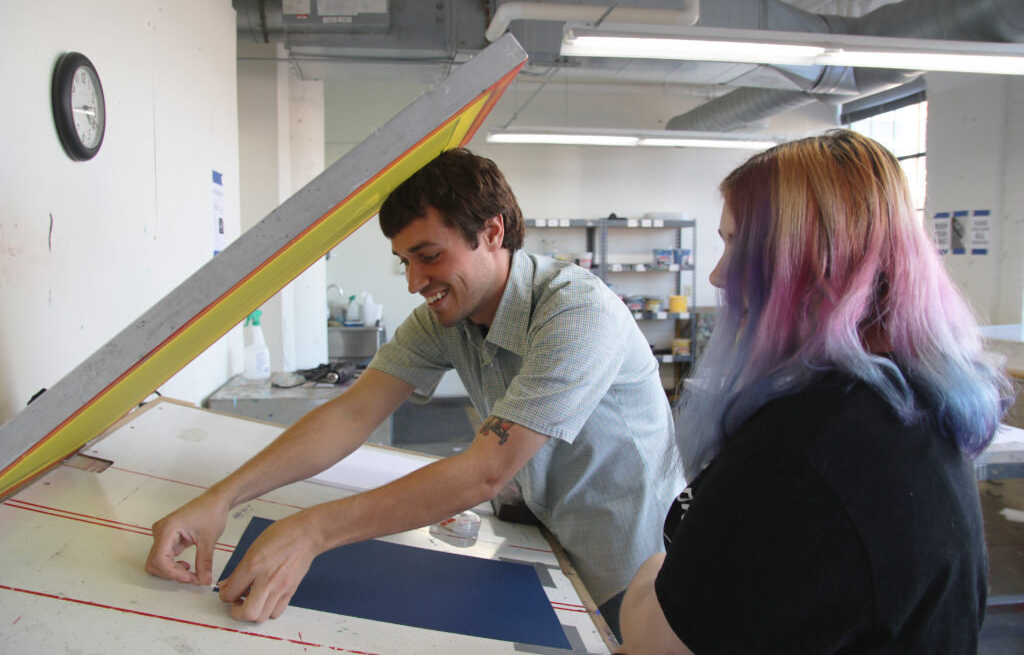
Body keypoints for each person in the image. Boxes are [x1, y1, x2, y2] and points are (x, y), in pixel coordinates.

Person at [146, 147, 682, 636]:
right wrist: (222, 497)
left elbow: (486, 470)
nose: (413, 281)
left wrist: (312, 531)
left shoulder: (576, 311)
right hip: (548, 539)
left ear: (492, 232)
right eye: (405, 261)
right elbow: (352, 413)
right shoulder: (445, 318)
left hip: (631, 568)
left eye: (429, 256)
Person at [616, 129, 1012, 654]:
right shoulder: (908, 405)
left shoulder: (802, 450)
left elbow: (655, 644)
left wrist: (653, 568)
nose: (717, 274)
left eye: (737, 245)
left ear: (808, 264)